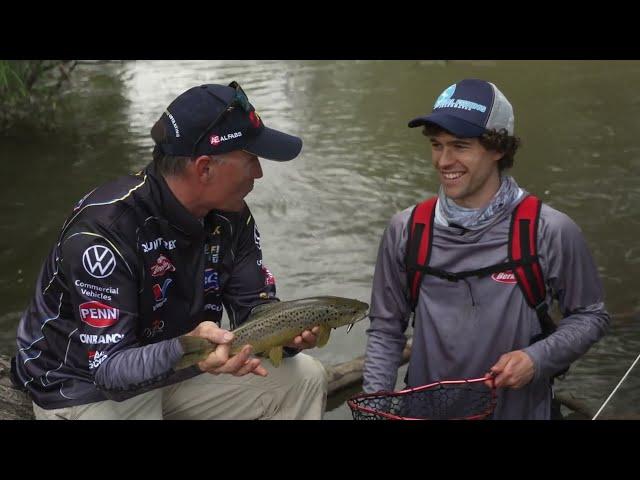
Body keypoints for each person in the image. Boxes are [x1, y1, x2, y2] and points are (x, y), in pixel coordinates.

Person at [11, 81, 328, 420]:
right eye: (251, 159)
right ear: (204, 168)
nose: (260, 173)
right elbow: (111, 372)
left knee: (305, 378)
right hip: (85, 384)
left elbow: (253, 313)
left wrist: (290, 335)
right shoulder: (104, 230)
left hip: (185, 364)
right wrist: (186, 348)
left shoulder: (232, 216)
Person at [362, 78, 610, 419]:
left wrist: (536, 359)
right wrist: (374, 410)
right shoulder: (407, 230)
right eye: (436, 145)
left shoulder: (548, 230)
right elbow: (386, 331)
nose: (443, 161)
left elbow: (590, 316)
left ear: (499, 149)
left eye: (460, 146)